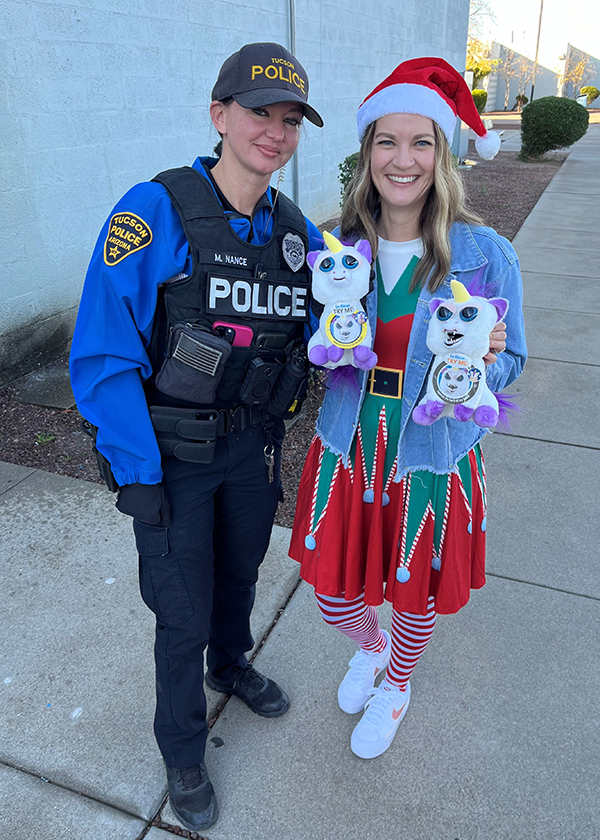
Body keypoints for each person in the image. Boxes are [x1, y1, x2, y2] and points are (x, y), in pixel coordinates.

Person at [70, 42, 323, 830]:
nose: (274, 133)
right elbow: (105, 346)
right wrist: (133, 468)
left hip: (250, 448)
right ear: (220, 116)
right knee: (178, 609)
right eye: (258, 114)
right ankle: (183, 751)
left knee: (240, 573)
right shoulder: (154, 209)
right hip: (171, 457)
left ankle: (232, 663)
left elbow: (328, 326)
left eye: (289, 121)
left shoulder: (294, 230)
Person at [290, 57, 527, 760]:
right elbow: (318, 340)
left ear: (441, 153)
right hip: (348, 436)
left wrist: (489, 358)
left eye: (420, 141)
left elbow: (513, 362)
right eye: (386, 142)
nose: (403, 159)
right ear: (367, 154)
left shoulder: (485, 254)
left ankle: (397, 680)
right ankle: (370, 649)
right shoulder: (340, 246)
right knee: (334, 590)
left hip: (432, 446)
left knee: (411, 588)